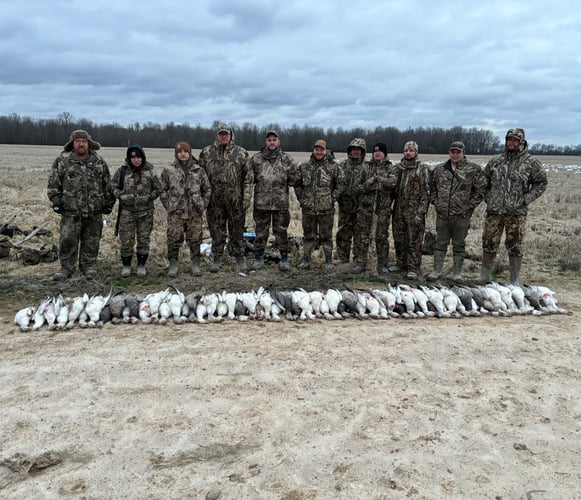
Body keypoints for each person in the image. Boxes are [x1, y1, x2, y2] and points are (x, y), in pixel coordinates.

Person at [476, 128, 547, 285]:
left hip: (516, 213)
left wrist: (526, 198)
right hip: (494, 211)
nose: (511, 142)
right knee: (489, 242)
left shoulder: (530, 162)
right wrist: (489, 197)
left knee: (515, 245)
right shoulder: (496, 160)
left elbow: (541, 183)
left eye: (515, 140)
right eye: (509, 139)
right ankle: (485, 275)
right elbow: (483, 182)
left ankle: (514, 280)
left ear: (521, 142)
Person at [47, 129, 115, 280]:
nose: (81, 144)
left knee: (92, 240)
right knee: (67, 240)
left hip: (94, 210)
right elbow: (53, 184)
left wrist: (109, 203)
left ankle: (88, 267)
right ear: (73, 143)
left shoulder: (99, 161)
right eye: (78, 141)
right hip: (71, 210)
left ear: (88, 144)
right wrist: (56, 201)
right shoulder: (62, 160)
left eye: (84, 141)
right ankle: (66, 268)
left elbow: (107, 184)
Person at [427, 141, 487, 282]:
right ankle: (436, 271)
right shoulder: (440, 169)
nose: (455, 154)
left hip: (462, 216)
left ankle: (457, 273)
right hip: (442, 215)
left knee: (459, 244)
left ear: (463, 153)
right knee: (440, 243)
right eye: (452, 152)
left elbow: (481, 189)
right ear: (449, 152)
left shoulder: (473, 169)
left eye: (458, 152)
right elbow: (431, 187)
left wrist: (469, 205)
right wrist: (436, 202)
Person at [198, 124, 252, 273]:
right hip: (214, 201)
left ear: (231, 135)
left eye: (226, 134)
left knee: (237, 230)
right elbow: (199, 177)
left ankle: (239, 257)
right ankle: (217, 258)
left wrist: (246, 198)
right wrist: (203, 197)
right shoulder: (207, 153)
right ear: (217, 136)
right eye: (221, 134)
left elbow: (248, 178)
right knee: (216, 230)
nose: (223, 137)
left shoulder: (241, 153)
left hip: (235, 200)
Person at [159, 141, 211, 278]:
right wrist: (169, 205)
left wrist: (202, 204)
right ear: (176, 154)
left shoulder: (199, 170)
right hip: (176, 213)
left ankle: (195, 264)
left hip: (194, 212)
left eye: (185, 151)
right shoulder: (168, 170)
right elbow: (162, 189)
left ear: (190, 153)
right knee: (173, 239)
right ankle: (173, 264)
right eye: (180, 152)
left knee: (195, 239)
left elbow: (207, 189)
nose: (183, 154)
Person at [249, 130, 299, 271]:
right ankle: (259, 258)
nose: (272, 142)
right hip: (261, 204)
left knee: (281, 232)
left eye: (274, 140)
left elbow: (295, 179)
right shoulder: (256, 159)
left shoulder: (287, 159)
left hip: (280, 204)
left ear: (279, 142)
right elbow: (248, 180)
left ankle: (284, 259)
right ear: (266, 142)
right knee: (260, 232)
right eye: (269, 140)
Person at [112, 145, 161, 277]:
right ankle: (126, 266)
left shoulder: (150, 171)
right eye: (133, 157)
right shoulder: (122, 171)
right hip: (127, 211)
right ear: (129, 158)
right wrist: (120, 195)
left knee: (143, 239)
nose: (136, 160)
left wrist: (150, 197)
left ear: (143, 157)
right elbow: (112, 186)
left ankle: (141, 265)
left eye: (139, 157)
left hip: (146, 212)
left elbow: (158, 188)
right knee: (126, 240)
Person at [294, 139, 342, 270]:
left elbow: (341, 184)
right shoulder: (304, 167)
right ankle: (306, 260)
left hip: (326, 210)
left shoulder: (333, 167)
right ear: (313, 151)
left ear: (326, 151)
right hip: (308, 209)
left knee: (326, 236)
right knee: (309, 236)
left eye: (321, 149)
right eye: (317, 149)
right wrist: (302, 199)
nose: (319, 152)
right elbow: (297, 184)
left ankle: (328, 261)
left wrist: (332, 199)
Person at [353, 142, 398, 274]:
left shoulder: (391, 168)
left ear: (385, 153)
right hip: (365, 209)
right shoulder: (365, 167)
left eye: (380, 151)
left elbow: (393, 183)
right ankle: (361, 263)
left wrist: (380, 179)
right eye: (375, 151)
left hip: (382, 210)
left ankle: (382, 265)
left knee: (381, 237)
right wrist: (371, 182)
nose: (377, 153)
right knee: (363, 237)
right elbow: (357, 187)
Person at [391, 140, 430, 279]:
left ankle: (413, 268)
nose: (408, 153)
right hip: (398, 210)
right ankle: (400, 263)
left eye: (411, 150)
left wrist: (421, 212)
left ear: (416, 152)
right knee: (399, 238)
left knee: (414, 240)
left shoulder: (422, 169)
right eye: (406, 150)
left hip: (414, 212)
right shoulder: (398, 169)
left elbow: (426, 193)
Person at [335, 138, 366, 264]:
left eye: (358, 150)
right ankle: (343, 257)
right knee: (343, 232)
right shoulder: (341, 166)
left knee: (360, 235)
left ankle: (358, 259)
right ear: (349, 151)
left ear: (363, 152)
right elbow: (334, 183)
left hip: (361, 208)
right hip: (345, 206)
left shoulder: (366, 168)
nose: (355, 152)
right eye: (353, 149)